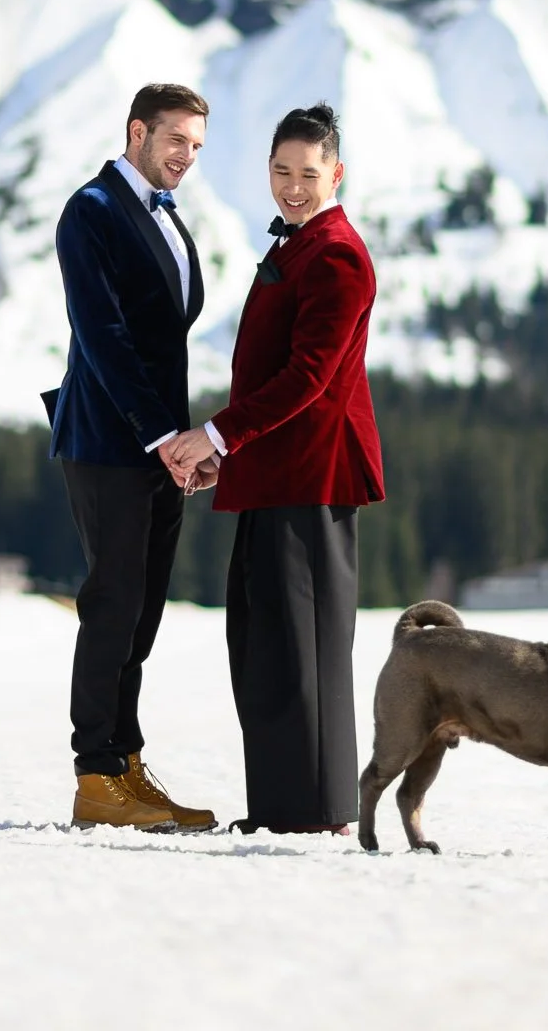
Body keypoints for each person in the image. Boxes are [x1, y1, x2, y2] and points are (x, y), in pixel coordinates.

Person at [169, 102, 384, 834]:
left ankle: (316, 811)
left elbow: (308, 378)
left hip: (313, 476)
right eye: (281, 171)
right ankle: (281, 807)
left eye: (308, 174)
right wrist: (225, 457)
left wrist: (216, 438)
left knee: (304, 650)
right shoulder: (294, 246)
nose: (293, 186)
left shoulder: (337, 255)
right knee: (263, 644)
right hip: (273, 470)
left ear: (337, 175)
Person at [49, 82, 219, 832]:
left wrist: (183, 446)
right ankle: (94, 777)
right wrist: (164, 438)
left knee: (143, 614)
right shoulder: (89, 211)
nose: (186, 156)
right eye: (175, 140)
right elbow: (103, 335)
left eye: (197, 147)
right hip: (107, 442)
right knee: (112, 605)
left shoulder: (168, 217)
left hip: (157, 448)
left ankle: (126, 765)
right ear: (137, 131)